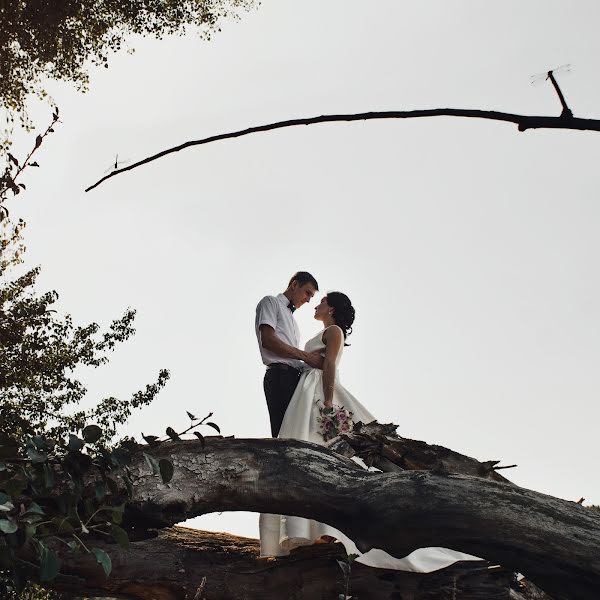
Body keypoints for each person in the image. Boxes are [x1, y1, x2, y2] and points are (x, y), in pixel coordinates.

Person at [259, 291, 480, 572]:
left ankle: (331, 529)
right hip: (305, 391)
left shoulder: (334, 331)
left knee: (323, 450)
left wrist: (327, 402)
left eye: (322, 300)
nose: (317, 304)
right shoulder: (323, 331)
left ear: (333, 309)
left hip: (317, 393)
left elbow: (330, 366)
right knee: (303, 448)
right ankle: (311, 532)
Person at [255, 272, 323, 437]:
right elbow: (268, 341)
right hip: (280, 376)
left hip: (295, 378)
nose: (308, 300)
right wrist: (306, 357)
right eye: (307, 293)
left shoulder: (293, 322)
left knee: (299, 432)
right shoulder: (270, 302)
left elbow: (293, 356)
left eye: (311, 297)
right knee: (284, 433)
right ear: (294, 285)